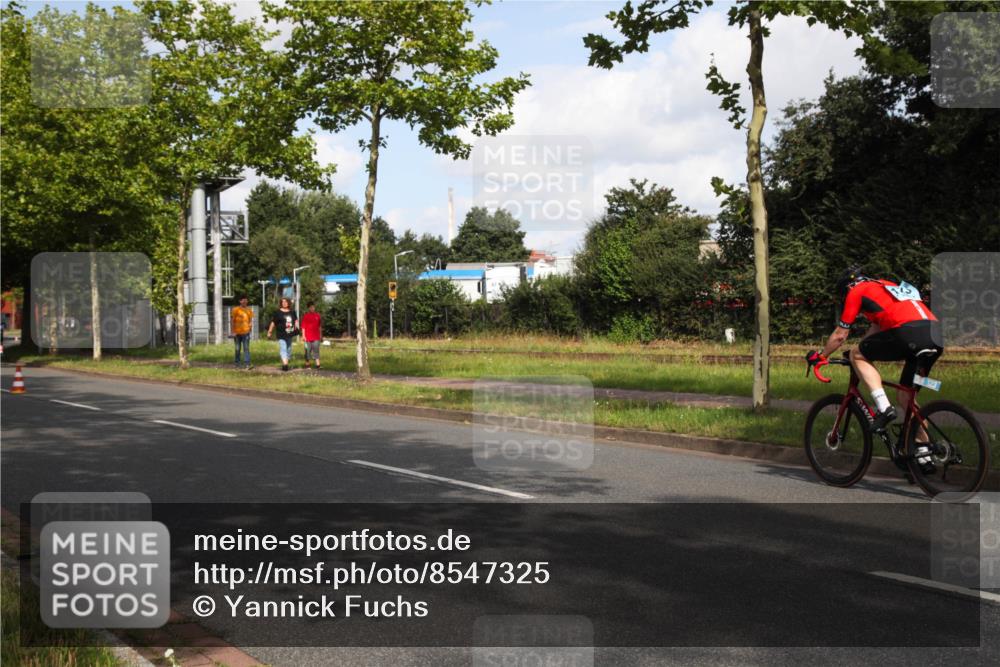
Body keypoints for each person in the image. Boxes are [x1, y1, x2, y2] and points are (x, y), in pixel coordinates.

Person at [808, 266, 943, 454]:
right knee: (906, 397)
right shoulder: (885, 286)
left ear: (848, 287)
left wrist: (821, 356)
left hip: (909, 333)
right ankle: (923, 454)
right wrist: (857, 351)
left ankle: (884, 408)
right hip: (935, 335)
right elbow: (873, 335)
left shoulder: (856, 291)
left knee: (857, 354)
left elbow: (840, 335)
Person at [266, 297, 298, 372]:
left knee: (289, 350)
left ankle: (286, 361)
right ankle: (285, 365)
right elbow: (273, 322)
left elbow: (295, 320)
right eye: (283, 302)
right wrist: (270, 331)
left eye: (286, 302)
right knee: (283, 348)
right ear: (281, 303)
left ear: (288, 303)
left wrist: (296, 327)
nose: (284, 303)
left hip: (290, 333)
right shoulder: (278, 312)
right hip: (281, 334)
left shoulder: (292, 312)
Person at [230, 295, 254, 370]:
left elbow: (250, 321)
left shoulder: (249, 310)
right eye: (243, 300)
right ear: (240, 301)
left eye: (246, 300)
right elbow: (232, 320)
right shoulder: (235, 309)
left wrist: (250, 328)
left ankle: (247, 364)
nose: (244, 301)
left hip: (246, 332)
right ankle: (237, 363)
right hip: (237, 333)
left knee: (246, 348)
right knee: (237, 348)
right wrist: (232, 331)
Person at [300, 302, 323, 369]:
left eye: (313, 307)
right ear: (308, 308)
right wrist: (303, 336)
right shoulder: (306, 316)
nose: (312, 308)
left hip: (316, 337)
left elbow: (320, 327)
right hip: (307, 337)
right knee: (307, 351)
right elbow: (303, 327)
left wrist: (321, 335)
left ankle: (318, 365)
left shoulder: (317, 316)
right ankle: (307, 365)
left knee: (316, 350)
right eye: (311, 307)